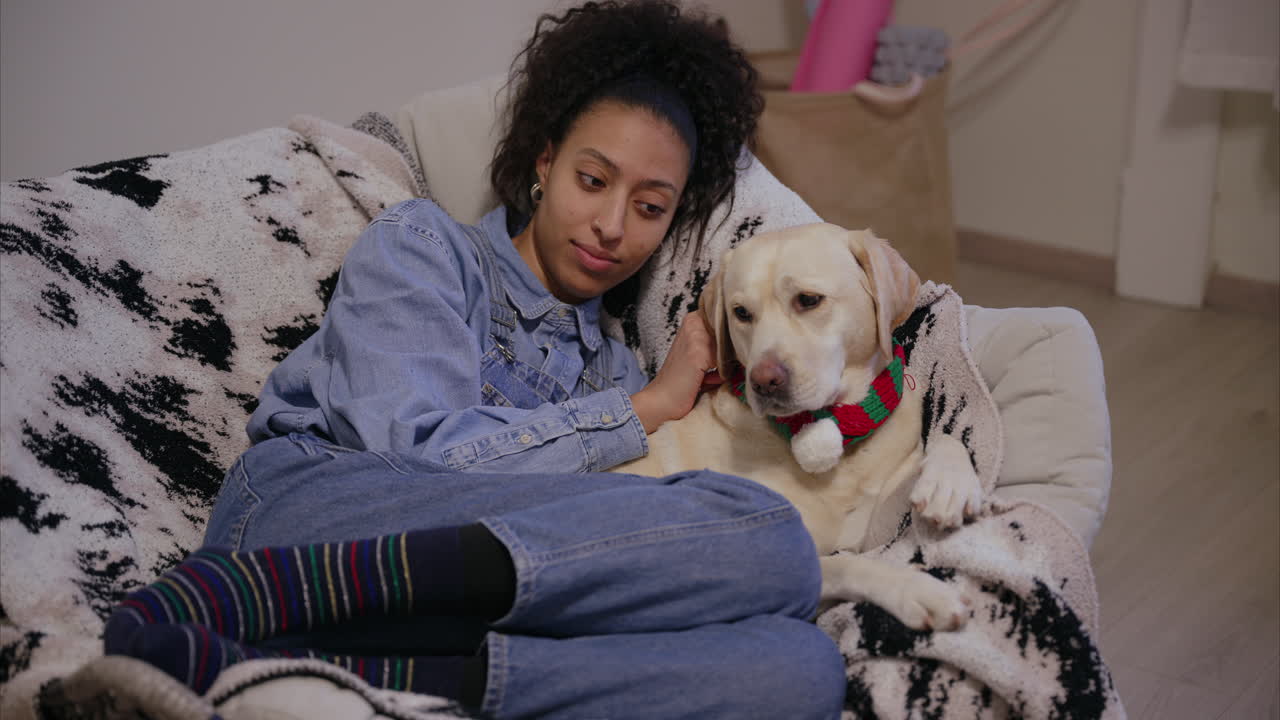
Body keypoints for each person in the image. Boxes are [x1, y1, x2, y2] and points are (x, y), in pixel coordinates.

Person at [103, 2, 847, 717]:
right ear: (545, 163)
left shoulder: (616, 371)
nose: (612, 225)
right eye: (592, 181)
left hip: (453, 619)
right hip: (308, 524)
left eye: (650, 208)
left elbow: (603, 556)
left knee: (800, 667)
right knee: (775, 540)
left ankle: (348, 678)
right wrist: (646, 408)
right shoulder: (425, 247)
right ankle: (243, 607)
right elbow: (413, 451)